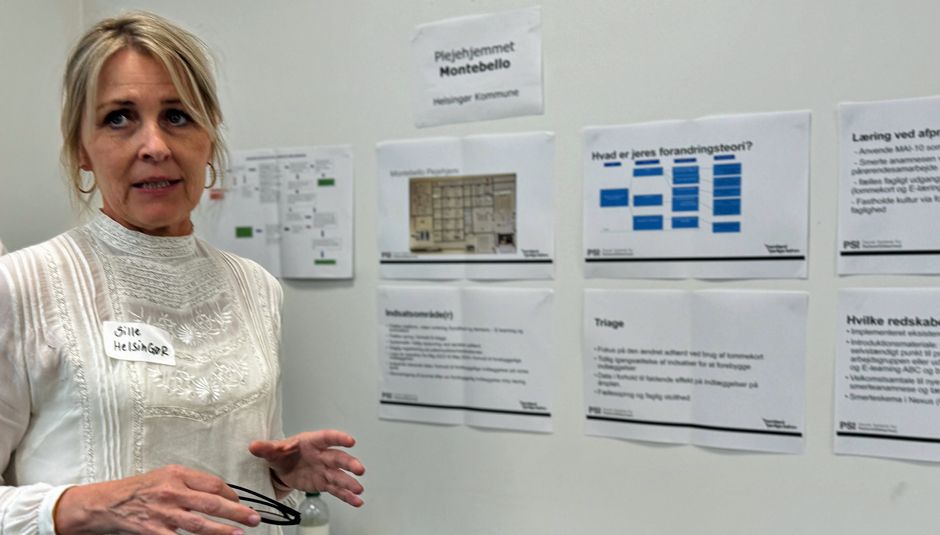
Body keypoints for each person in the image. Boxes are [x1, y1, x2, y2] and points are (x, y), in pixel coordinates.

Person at [0, 12, 364, 535]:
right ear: (81, 149)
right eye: (119, 119)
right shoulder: (21, 285)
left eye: (177, 116)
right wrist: (89, 505)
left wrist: (273, 476)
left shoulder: (255, 288)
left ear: (209, 139)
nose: (155, 146)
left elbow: (214, 464)